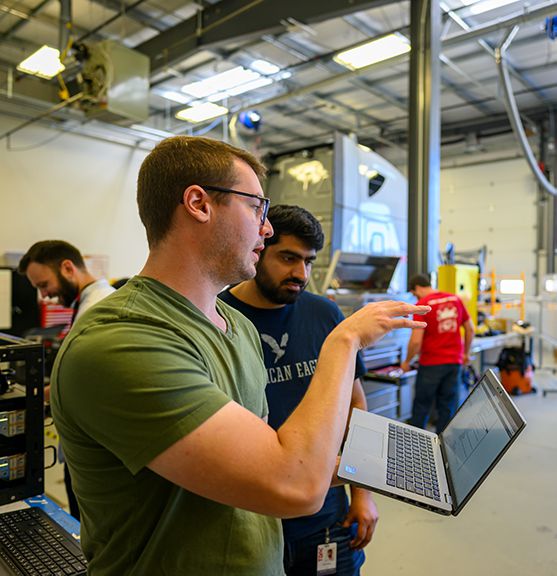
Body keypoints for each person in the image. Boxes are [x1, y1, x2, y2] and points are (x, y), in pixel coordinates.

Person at [49, 136, 429, 576]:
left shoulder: (238, 327)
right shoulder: (120, 341)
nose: (265, 229)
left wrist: (387, 471)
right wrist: (343, 343)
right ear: (198, 203)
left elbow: (265, 458)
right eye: (256, 209)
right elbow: (295, 485)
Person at [220, 204, 378, 576]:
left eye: (309, 262)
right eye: (288, 258)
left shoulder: (325, 315)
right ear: (258, 249)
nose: (300, 274)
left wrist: (363, 492)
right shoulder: (219, 316)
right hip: (248, 516)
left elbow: (355, 403)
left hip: (325, 513)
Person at [18, 240, 115, 521]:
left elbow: (84, 381)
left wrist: (34, 399)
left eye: (44, 284)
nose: (44, 295)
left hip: (96, 453)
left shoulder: (100, 308)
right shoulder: (88, 305)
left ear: (68, 267)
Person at [401, 273, 474, 433]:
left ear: (418, 287)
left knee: (422, 406)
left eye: (414, 293)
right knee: (447, 407)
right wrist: (466, 354)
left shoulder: (422, 305)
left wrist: (406, 361)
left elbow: (415, 341)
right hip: (454, 363)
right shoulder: (455, 299)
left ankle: (414, 446)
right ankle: (442, 450)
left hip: (431, 364)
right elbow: (470, 329)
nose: (415, 297)